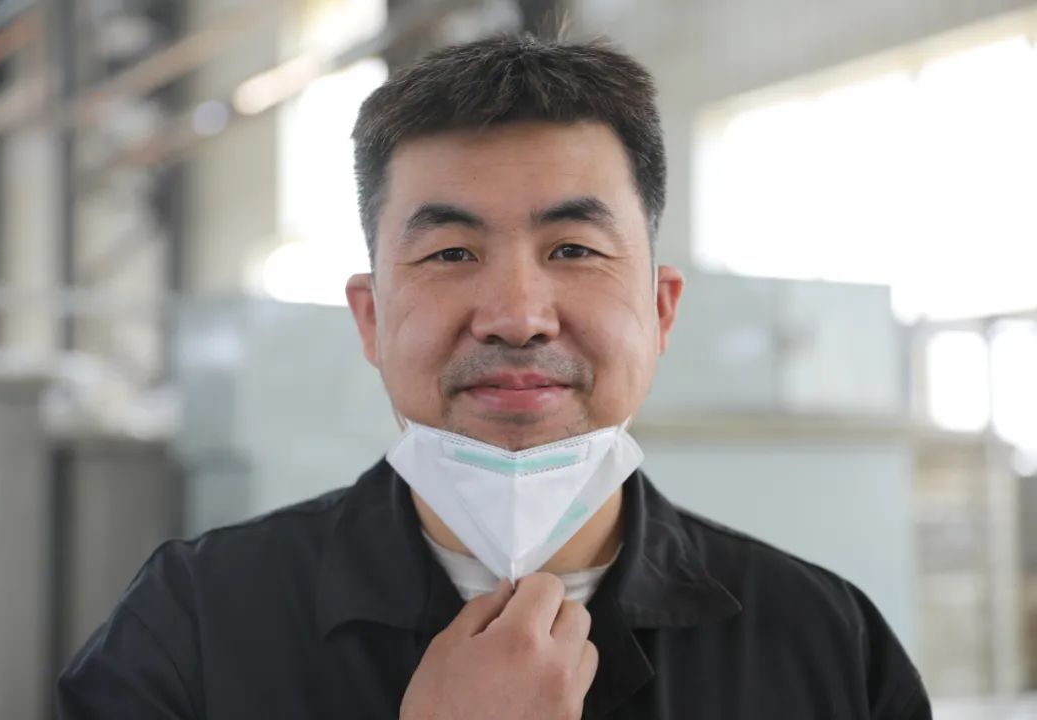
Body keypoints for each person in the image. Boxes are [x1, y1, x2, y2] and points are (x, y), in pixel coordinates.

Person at [57, 34, 932, 719]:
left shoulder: (824, 642)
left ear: (662, 310)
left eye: (574, 249)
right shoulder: (195, 626)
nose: (516, 315)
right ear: (371, 318)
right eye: (451, 252)